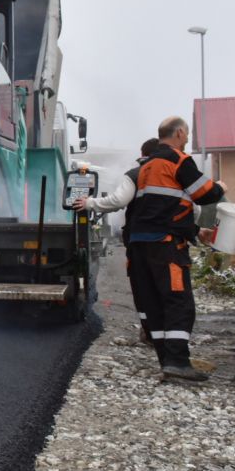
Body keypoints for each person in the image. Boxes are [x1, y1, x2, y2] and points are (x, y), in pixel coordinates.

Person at [126, 117, 227, 381]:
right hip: (165, 245)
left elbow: (160, 208)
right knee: (178, 302)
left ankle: (167, 361)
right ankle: (178, 362)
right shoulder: (178, 160)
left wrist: (195, 231)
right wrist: (220, 188)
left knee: (155, 304)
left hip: (140, 246)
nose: (188, 139)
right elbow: (205, 194)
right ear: (180, 133)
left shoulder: (147, 166)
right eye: (187, 134)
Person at [74, 137, 159, 342]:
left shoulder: (136, 174)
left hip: (140, 242)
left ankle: (150, 332)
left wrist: (90, 203)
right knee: (165, 289)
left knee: (144, 288)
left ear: (143, 154)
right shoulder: (176, 175)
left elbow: (118, 201)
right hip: (170, 245)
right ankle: (169, 337)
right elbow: (194, 209)